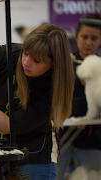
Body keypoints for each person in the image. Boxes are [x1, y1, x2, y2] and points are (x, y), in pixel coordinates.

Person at [0, 24, 75, 179]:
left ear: (53, 63)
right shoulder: (8, 54)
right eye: (26, 53)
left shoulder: (54, 88)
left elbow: (7, 126)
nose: (26, 62)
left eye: (37, 61)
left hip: (35, 153)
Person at [56, 14, 101, 180]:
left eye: (94, 38)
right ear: (76, 37)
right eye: (84, 37)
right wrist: (60, 65)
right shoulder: (64, 62)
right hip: (62, 138)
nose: (88, 42)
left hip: (93, 139)